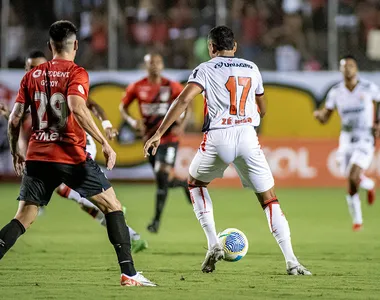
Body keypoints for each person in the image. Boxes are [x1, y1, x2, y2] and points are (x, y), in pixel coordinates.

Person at [144, 25, 311, 275]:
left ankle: (213, 243)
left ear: (211, 48)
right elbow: (262, 108)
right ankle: (292, 261)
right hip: (247, 136)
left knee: (195, 183)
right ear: (235, 47)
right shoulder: (252, 67)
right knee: (269, 199)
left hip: (217, 138)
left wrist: (158, 133)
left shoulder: (204, 69)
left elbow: (183, 100)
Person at [0, 20, 155, 286]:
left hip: (37, 156)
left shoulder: (31, 75)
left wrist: (16, 152)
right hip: (71, 156)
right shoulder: (76, 72)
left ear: (50, 46)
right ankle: (129, 274)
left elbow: (14, 120)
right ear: (76, 45)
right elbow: (77, 106)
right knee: (113, 206)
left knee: (24, 217)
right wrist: (104, 143)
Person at [120, 53, 191, 233]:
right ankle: (184, 184)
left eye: (158, 62)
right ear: (145, 66)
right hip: (149, 140)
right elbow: (123, 107)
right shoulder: (137, 87)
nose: (155, 66)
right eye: (151, 63)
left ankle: (156, 221)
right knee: (164, 179)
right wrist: (132, 121)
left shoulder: (171, 86)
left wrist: (181, 125)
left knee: (162, 175)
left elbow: (186, 103)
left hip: (169, 139)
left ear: (162, 65)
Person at [314, 55, 379, 231]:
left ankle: (357, 221)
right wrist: (319, 116)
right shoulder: (335, 92)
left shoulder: (368, 87)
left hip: (365, 138)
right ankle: (369, 184)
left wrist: (378, 123)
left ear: (356, 68)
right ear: (340, 70)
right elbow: (326, 117)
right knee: (348, 175)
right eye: (345, 66)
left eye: (351, 65)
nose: (348, 69)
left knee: (352, 176)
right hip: (346, 139)